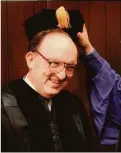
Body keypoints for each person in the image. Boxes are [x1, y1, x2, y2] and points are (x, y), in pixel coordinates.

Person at [1, 7, 94, 152]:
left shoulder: (73, 105)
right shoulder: (4, 106)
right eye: (54, 63)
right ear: (31, 60)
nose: (62, 75)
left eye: (70, 67)